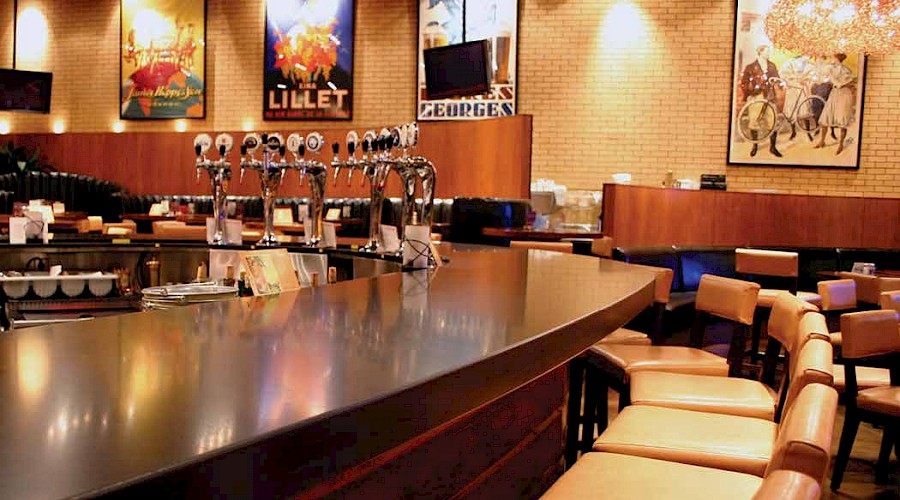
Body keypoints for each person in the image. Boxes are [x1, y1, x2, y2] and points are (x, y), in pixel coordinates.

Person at [739, 45, 782, 157]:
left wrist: (777, 82)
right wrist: (751, 91)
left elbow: (777, 78)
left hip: (769, 96)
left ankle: (773, 147)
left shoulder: (772, 66)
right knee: (754, 120)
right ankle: (755, 146)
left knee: (772, 121)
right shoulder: (750, 67)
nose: (768, 53)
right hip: (756, 97)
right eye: (767, 51)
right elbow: (743, 83)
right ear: (760, 52)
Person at [815, 53, 855, 155]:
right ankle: (822, 141)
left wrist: (839, 83)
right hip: (835, 93)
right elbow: (822, 72)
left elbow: (848, 82)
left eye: (833, 57)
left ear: (837, 59)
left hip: (843, 95)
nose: (831, 59)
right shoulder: (830, 68)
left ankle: (841, 144)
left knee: (842, 120)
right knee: (826, 117)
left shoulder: (845, 70)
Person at [779, 54, 814, 140]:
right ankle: (793, 131)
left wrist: (806, 80)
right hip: (792, 88)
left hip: (801, 88)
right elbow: (783, 74)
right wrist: (790, 79)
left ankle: (808, 132)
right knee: (792, 110)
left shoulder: (807, 63)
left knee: (804, 109)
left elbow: (811, 74)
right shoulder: (789, 62)